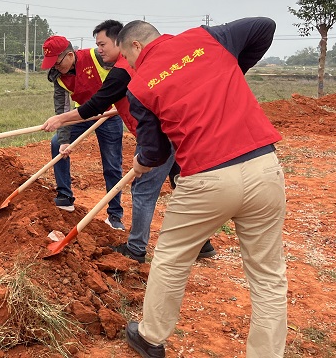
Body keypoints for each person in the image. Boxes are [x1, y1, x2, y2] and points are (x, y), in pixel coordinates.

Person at [118, 18, 286, 358]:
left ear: (136, 46)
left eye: (128, 58)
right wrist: (231, 70)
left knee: (171, 257)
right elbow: (265, 26)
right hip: (264, 168)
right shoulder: (207, 38)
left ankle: (150, 338)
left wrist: (141, 162)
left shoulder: (140, 86)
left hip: (207, 179)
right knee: (268, 273)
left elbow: (157, 151)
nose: (131, 66)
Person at [42, 20, 215, 262]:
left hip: (156, 132)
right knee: (180, 183)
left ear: (120, 42)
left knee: (143, 188)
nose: (99, 49)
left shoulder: (120, 70)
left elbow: (96, 103)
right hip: (173, 128)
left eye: (103, 44)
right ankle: (203, 243)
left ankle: (135, 249)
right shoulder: (128, 66)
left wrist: (61, 119)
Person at [40, 34, 125, 228]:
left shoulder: (99, 58)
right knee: (56, 144)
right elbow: (61, 108)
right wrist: (64, 140)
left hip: (109, 115)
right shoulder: (58, 77)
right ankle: (65, 197)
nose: (55, 67)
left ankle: (115, 215)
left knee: (112, 164)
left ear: (69, 55)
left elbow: (126, 74)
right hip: (82, 115)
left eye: (57, 62)